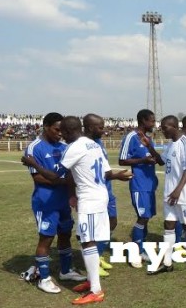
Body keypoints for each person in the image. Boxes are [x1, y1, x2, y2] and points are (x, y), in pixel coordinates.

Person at [22, 116, 132, 305]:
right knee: (88, 239)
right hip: (99, 196)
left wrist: (33, 163)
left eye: (62, 132)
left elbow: (55, 175)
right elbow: (106, 173)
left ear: (67, 131)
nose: (61, 136)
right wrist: (118, 176)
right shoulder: (93, 145)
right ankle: (91, 281)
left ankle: (95, 290)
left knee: (87, 242)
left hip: (90, 200)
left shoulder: (75, 147)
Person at [23, 112, 86, 294]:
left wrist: (70, 190)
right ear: (46, 126)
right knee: (47, 238)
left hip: (63, 200)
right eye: (57, 129)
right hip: (45, 201)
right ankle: (43, 278)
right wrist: (64, 182)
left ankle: (66, 271)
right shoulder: (34, 148)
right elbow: (38, 178)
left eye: (62, 130)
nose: (60, 133)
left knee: (65, 233)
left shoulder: (64, 146)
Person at [149, 115, 186, 274]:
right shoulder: (170, 144)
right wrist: (149, 147)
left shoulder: (185, 143)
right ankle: (167, 262)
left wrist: (178, 190)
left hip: (185, 194)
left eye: (164, 128)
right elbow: (161, 161)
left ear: (173, 126)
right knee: (168, 226)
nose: (162, 131)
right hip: (170, 194)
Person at [118, 109, 163, 268]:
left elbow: (159, 160)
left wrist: (150, 156)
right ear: (143, 121)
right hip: (138, 184)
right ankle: (134, 252)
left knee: (146, 217)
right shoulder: (131, 137)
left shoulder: (148, 139)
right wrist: (143, 160)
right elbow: (122, 161)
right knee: (142, 217)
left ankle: (141, 248)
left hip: (150, 184)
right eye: (151, 121)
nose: (154, 124)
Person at [82, 114, 117, 277]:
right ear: (90, 127)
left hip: (106, 191)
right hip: (93, 195)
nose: (104, 131)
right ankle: (93, 261)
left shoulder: (99, 143)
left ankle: (98, 255)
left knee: (111, 223)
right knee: (93, 230)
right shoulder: (82, 145)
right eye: (100, 127)